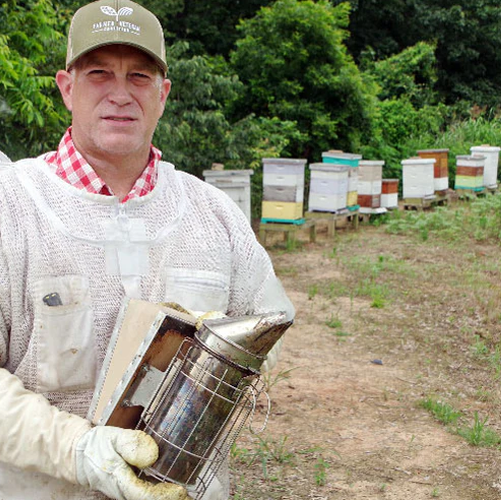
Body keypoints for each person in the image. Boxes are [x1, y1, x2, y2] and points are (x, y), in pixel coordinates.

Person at [0, 1, 295, 500]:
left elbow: (269, 327)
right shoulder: (12, 207)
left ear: (163, 94)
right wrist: (80, 449)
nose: (120, 94)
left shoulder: (213, 214)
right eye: (99, 73)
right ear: (66, 87)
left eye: (139, 76)